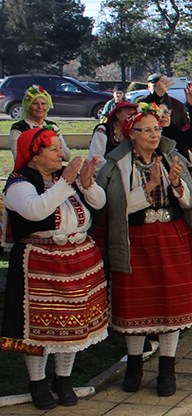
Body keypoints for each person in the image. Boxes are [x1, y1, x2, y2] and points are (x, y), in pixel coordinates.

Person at [96, 103, 192, 397]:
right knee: (136, 306)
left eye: (156, 128)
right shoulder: (116, 165)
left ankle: (167, 368)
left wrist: (176, 185)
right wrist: (146, 191)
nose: (153, 134)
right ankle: (134, 365)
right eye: (146, 129)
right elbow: (112, 209)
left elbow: (190, 201)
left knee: (170, 306)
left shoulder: (171, 156)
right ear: (130, 133)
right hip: (135, 239)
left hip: (171, 236)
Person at [1, 128, 108, 409]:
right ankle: (37, 382)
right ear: (34, 156)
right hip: (40, 262)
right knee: (40, 327)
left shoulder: (64, 179)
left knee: (72, 323)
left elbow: (99, 202)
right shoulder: (19, 183)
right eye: (53, 149)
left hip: (77, 259)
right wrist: (68, 182)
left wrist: (86, 184)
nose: (61, 153)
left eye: (60, 147)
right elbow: (36, 211)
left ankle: (63, 379)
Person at [9, 85, 71, 161]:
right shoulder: (19, 128)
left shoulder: (52, 126)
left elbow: (67, 156)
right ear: (28, 106)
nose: (40, 107)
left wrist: (57, 140)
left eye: (43, 104)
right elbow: (18, 157)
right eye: (35, 103)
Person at [154, 81, 192, 161]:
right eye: (159, 113)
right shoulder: (151, 138)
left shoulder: (177, 135)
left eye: (166, 112)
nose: (163, 116)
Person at [89, 101, 137, 173]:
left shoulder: (131, 133)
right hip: (102, 174)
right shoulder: (103, 129)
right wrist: (113, 172)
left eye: (133, 115)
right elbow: (96, 157)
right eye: (128, 114)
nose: (131, 118)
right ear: (117, 114)